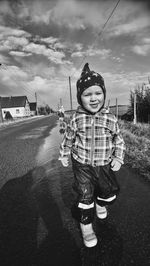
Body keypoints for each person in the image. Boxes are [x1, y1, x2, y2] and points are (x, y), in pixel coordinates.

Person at [59, 63, 125, 248]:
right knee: (84, 195)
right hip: (82, 164)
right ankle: (86, 227)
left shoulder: (110, 118)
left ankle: (100, 203)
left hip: (104, 163)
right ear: (80, 98)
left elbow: (118, 139)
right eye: (87, 94)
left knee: (107, 192)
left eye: (98, 93)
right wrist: (64, 153)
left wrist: (118, 157)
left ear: (104, 94)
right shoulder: (76, 118)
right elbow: (69, 137)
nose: (94, 98)